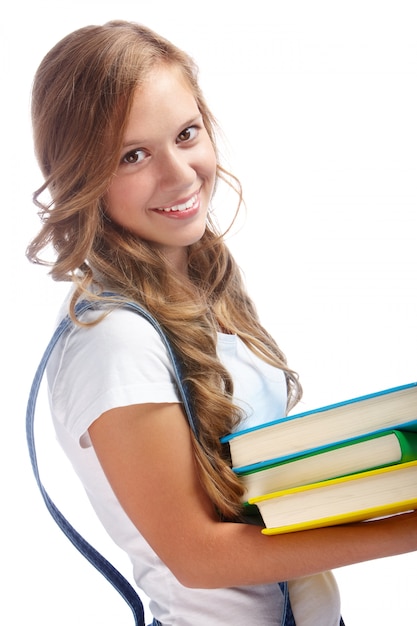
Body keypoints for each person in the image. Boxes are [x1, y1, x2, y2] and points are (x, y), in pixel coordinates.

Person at [27, 20, 417, 626]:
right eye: (133, 155)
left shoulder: (197, 285)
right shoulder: (114, 339)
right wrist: (405, 531)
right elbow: (199, 559)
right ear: (83, 174)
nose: (180, 174)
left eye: (186, 134)